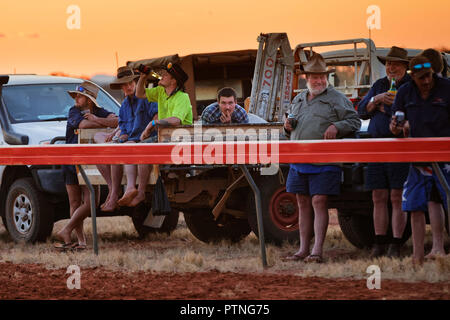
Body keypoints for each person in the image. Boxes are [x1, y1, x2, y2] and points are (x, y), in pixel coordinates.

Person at [283, 53, 361, 263]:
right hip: (299, 159)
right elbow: (290, 126)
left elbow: (355, 121)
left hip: (325, 160)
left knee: (319, 200)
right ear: (306, 78)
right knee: (301, 201)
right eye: (313, 76)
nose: (318, 80)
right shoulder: (299, 98)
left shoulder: (336, 98)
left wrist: (337, 126)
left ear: (327, 78)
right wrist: (287, 126)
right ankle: (302, 249)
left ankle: (317, 250)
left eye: (321, 77)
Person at [390, 55, 450, 265]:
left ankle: (439, 248)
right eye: (421, 77)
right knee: (414, 204)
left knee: (443, 200)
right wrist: (397, 127)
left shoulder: (446, 88)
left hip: (445, 157)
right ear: (412, 76)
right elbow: (396, 119)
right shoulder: (405, 92)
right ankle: (417, 256)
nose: (426, 81)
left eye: (429, 76)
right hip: (417, 158)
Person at [357, 46, 411, 258]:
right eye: (388, 63)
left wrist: (388, 107)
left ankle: (396, 244)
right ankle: (379, 242)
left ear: (405, 67)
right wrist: (377, 100)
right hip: (376, 147)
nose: (391, 67)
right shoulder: (379, 85)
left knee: (397, 196)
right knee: (378, 195)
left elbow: (408, 113)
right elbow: (362, 110)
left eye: (396, 63)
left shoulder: (410, 86)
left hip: (400, 148)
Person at [55, 81, 118, 250]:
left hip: (90, 162)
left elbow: (117, 121)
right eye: (76, 95)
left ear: (89, 99)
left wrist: (97, 119)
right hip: (71, 160)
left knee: (92, 202)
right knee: (74, 202)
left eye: (80, 96)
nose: (76, 98)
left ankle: (66, 230)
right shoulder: (74, 111)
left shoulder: (98, 112)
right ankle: (79, 240)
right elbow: (83, 125)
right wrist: (104, 123)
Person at [126, 62, 192, 207]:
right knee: (135, 148)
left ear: (173, 81)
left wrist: (152, 124)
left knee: (143, 149)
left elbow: (176, 120)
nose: (161, 76)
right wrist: (143, 77)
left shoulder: (183, 97)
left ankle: (141, 192)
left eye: (166, 75)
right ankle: (134, 190)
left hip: (177, 141)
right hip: (164, 139)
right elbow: (140, 94)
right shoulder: (161, 92)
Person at [95, 66, 158, 211]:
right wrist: (119, 137)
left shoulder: (146, 97)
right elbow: (123, 128)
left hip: (147, 139)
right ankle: (114, 193)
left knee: (127, 147)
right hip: (132, 141)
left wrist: (148, 131)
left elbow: (156, 117)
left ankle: (129, 189)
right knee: (113, 150)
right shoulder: (124, 105)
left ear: (136, 82)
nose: (129, 86)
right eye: (125, 84)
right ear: (121, 87)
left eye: (131, 83)